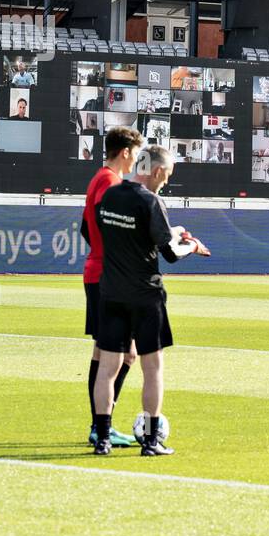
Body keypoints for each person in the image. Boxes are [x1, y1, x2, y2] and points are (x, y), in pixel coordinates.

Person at [92, 145, 210, 456]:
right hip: (145, 295)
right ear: (157, 171)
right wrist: (192, 247)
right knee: (152, 367)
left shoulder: (111, 195)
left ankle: (102, 439)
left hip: (111, 292)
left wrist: (169, 231)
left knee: (108, 367)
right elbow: (169, 254)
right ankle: (150, 441)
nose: (167, 181)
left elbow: (103, 235)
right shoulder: (152, 200)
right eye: (168, 175)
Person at [79, 126, 144, 448]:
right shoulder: (109, 181)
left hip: (100, 271)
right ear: (126, 152)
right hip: (109, 276)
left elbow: (85, 227)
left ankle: (100, 425)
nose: (136, 161)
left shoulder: (99, 178)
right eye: (136, 153)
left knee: (108, 352)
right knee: (123, 355)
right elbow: (114, 223)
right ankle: (100, 425)